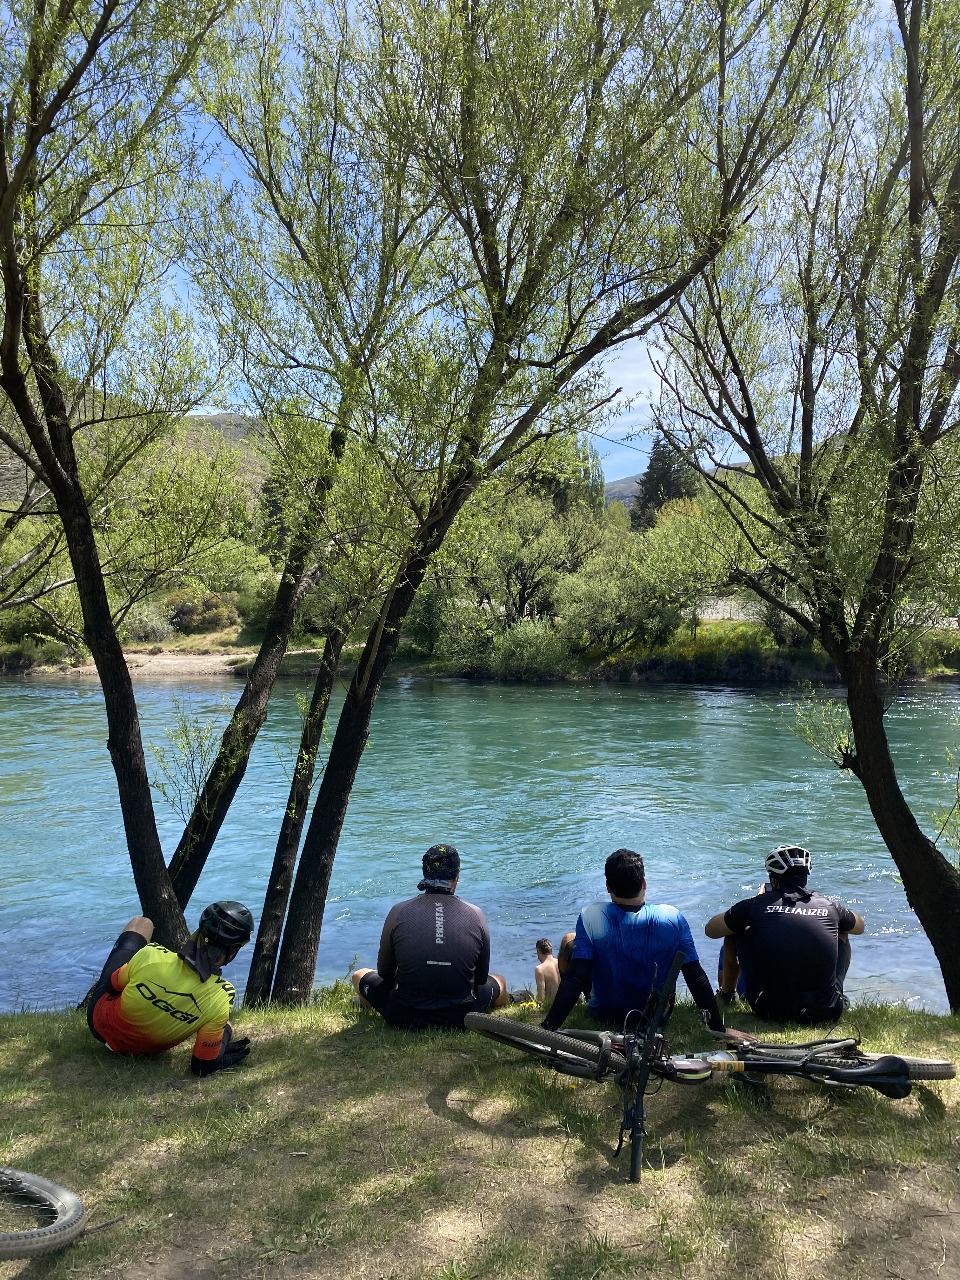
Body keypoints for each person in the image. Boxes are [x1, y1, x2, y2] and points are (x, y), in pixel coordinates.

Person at [542, 849, 747, 1040]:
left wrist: (550, 1026)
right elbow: (695, 975)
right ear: (644, 883)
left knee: (572, 943)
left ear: (608, 887)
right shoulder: (672, 917)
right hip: (655, 1016)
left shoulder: (591, 915)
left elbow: (577, 975)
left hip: (604, 1013)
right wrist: (718, 1028)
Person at [87, 900, 254, 1076]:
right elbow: (201, 1067)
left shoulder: (151, 953)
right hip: (145, 1051)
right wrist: (223, 1039)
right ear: (233, 951)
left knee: (143, 923)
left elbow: (111, 987)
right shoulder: (222, 996)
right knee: (225, 1024)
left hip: (98, 1026)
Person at [352, 844, 509, 1029]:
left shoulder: (398, 911)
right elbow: (481, 978)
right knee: (499, 980)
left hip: (404, 1014)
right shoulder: (476, 914)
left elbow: (385, 973)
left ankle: (366, 1002)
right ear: (456, 878)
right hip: (461, 1016)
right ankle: (512, 999)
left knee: (358, 975)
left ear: (425, 875)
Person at [705, 844, 865, 1023]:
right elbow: (859, 927)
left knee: (734, 932)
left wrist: (752, 911)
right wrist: (832, 913)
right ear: (805, 877)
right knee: (842, 931)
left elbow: (711, 930)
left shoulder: (756, 904)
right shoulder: (829, 905)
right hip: (827, 1011)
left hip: (770, 1009)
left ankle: (727, 994)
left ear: (773, 880)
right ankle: (838, 994)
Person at [533, 938, 560, 1003]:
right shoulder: (560, 962)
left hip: (552, 1005)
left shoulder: (540, 969)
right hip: (565, 1002)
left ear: (538, 951)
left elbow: (541, 996)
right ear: (551, 950)